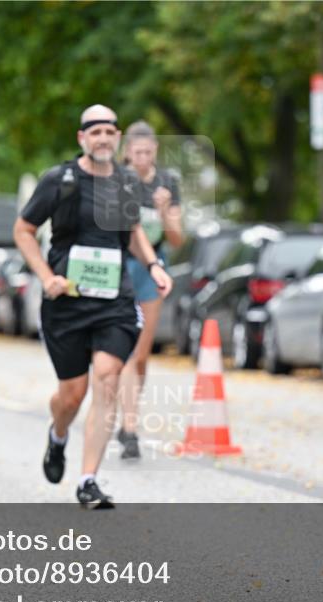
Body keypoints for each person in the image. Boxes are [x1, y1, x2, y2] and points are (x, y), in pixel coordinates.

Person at [13, 104, 173, 509]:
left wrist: (153, 264)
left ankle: (88, 480)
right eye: (94, 131)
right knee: (71, 395)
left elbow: (134, 231)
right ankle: (58, 436)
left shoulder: (125, 183)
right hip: (66, 300)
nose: (102, 137)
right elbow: (24, 229)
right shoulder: (60, 179)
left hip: (114, 301)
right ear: (82, 138)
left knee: (106, 379)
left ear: (117, 137)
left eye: (109, 131)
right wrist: (45, 275)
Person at [116, 121, 183, 459]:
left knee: (141, 354)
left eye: (147, 151)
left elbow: (176, 238)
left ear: (155, 149)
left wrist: (163, 212)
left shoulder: (167, 183)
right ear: (127, 151)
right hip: (120, 268)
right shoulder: (117, 179)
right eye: (136, 152)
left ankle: (128, 415)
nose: (142, 158)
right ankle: (129, 428)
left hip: (152, 268)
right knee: (127, 351)